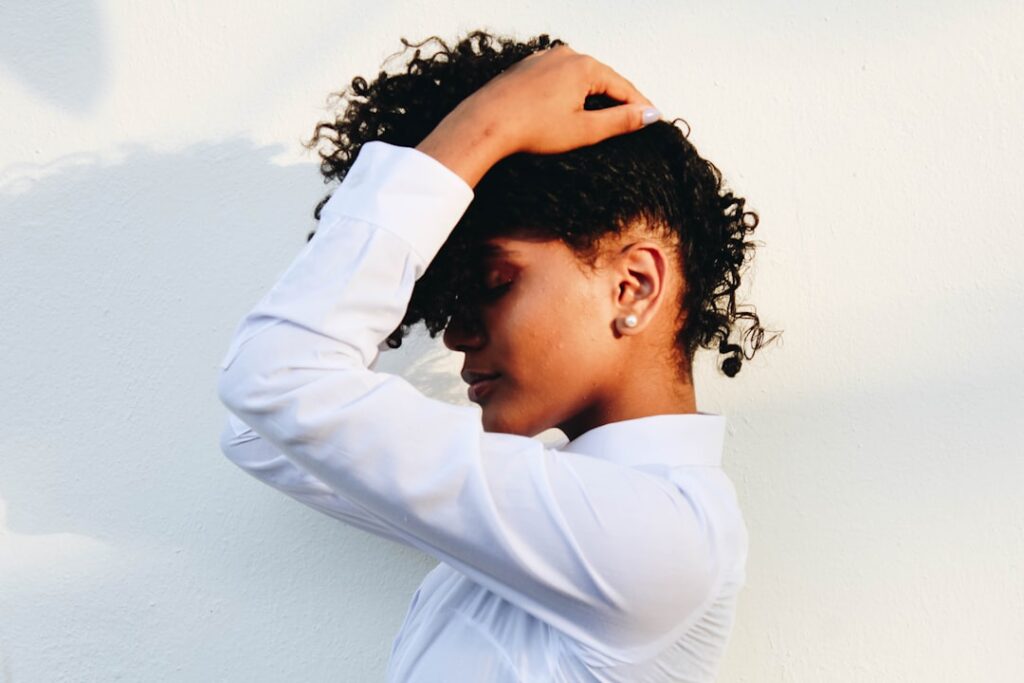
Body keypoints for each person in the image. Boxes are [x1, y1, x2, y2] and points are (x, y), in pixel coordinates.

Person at [217, 30, 779, 682]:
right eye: (446, 299)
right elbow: (263, 431)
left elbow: (277, 377)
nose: (454, 334)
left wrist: (488, 127)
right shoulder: (565, 515)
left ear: (633, 285)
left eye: (489, 283)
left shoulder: (660, 540)